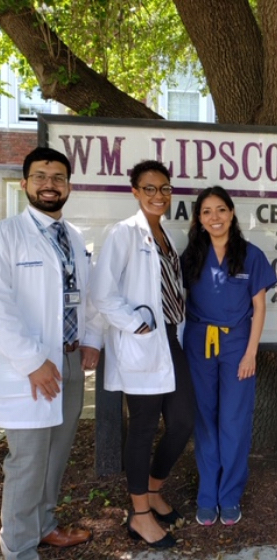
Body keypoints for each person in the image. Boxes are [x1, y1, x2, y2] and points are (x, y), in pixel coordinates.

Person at [0, 147, 103, 560]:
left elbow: (87, 297)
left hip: (70, 360)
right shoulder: (7, 235)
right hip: (28, 367)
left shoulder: (74, 238)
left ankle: (44, 525)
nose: (49, 184)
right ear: (24, 183)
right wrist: (31, 362)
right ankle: (18, 547)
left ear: (69, 186)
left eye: (58, 177)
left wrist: (92, 338)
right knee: (27, 461)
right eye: (40, 176)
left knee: (57, 452)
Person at [90, 160, 195, 548]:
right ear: (134, 191)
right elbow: (102, 292)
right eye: (149, 188)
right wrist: (136, 324)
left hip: (171, 340)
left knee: (184, 420)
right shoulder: (123, 234)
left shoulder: (166, 236)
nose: (158, 196)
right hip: (143, 338)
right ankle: (139, 515)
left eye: (164, 188)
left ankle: (152, 488)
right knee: (144, 428)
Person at [181, 186, 277, 526]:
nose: (215, 217)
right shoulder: (191, 255)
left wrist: (251, 352)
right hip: (198, 343)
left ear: (232, 213)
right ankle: (208, 495)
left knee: (234, 421)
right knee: (205, 420)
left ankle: (230, 495)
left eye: (221, 210)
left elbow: (259, 306)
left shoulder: (251, 255)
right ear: (199, 218)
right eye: (207, 211)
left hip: (238, 345)